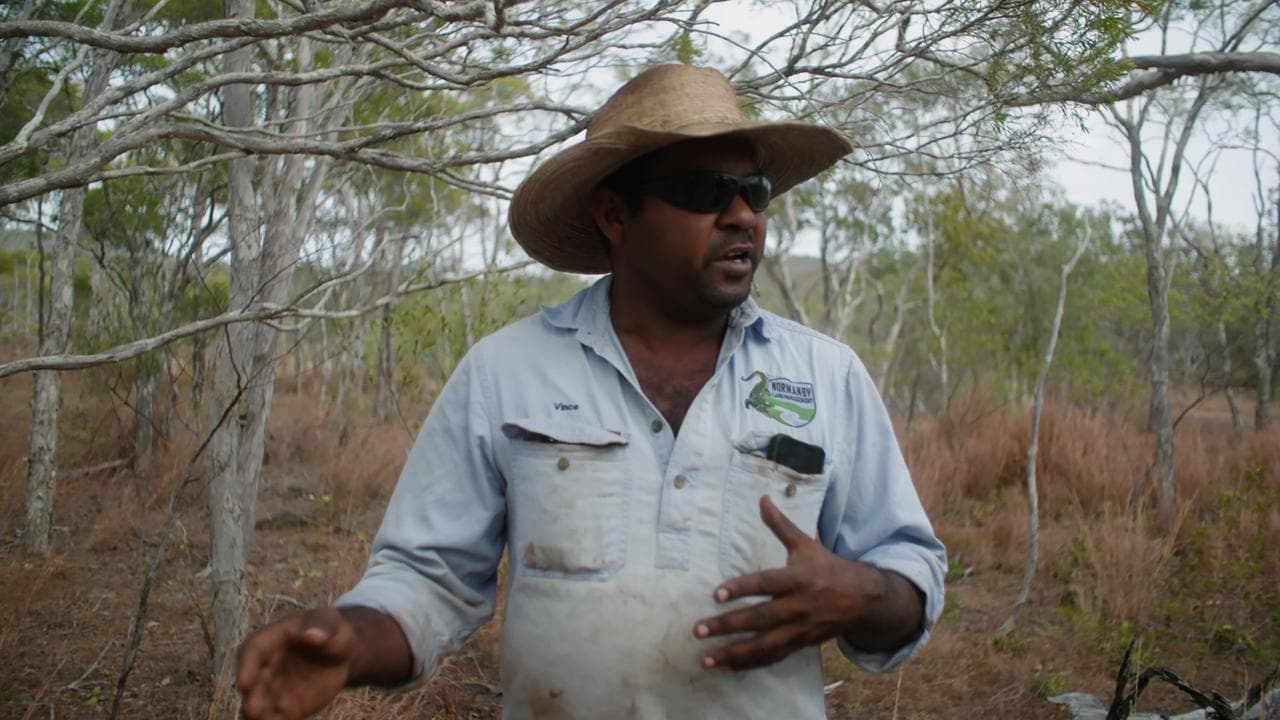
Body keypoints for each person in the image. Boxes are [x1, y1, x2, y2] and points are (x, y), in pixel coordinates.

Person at [236, 64, 946, 720]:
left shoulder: (827, 377)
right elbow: (428, 576)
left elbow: (907, 569)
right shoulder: (506, 373)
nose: (742, 216)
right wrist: (349, 642)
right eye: (705, 193)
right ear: (614, 215)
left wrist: (861, 595)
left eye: (753, 192)